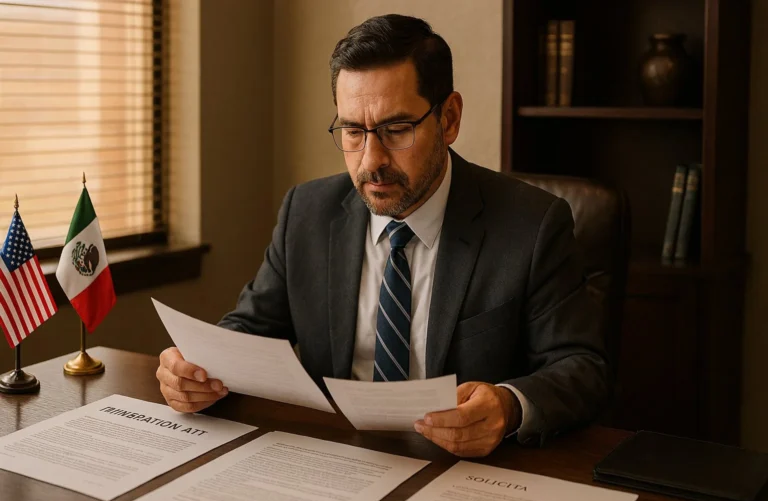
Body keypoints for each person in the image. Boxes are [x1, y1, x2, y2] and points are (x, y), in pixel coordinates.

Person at [156, 14, 611, 458]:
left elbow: (581, 369)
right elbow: (250, 328)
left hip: (459, 470)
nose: (371, 160)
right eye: (353, 131)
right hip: (330, 458)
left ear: (449, 119)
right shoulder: (307, 212)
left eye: (396, 130)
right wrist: (195, 369)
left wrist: (509, 406)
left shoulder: (532, 224)